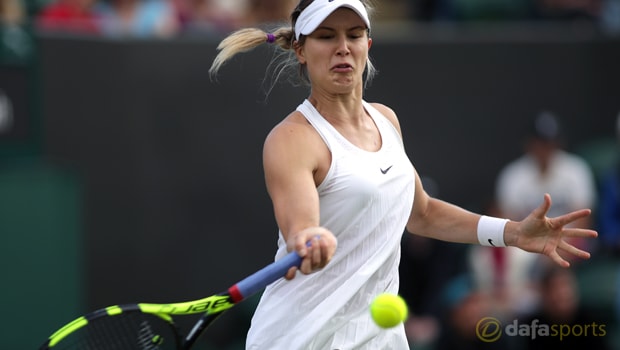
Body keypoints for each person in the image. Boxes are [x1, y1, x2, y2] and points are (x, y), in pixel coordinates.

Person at [208, 1, 597, 349]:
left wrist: (512, 232)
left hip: (378, 337)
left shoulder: (386, 119)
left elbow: (421, 213)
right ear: (301, 50)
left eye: (354, 35)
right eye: (326, 36)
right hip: (303, 337)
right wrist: (308, 237)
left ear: (368, 45)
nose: (343, 47)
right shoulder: (291, 139)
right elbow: (300, 225)